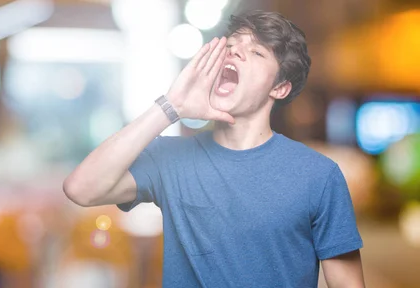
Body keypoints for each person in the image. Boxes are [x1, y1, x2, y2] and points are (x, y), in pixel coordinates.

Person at [63, 10, 365, 288]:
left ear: (279, 87)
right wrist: (171, 107)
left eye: (257, 52)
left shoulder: (319, 176)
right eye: (231, 46)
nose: (235, 52)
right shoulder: (170, 158)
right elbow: (81, 189)